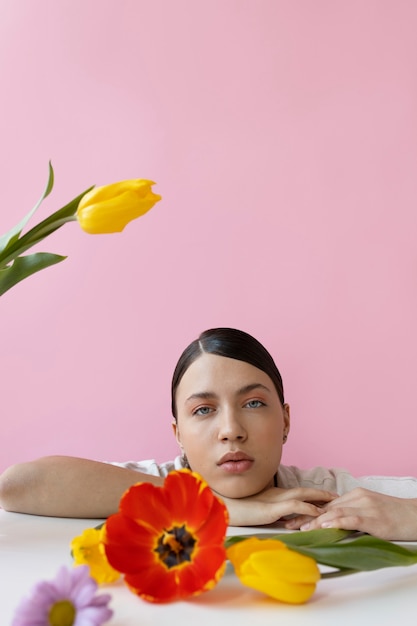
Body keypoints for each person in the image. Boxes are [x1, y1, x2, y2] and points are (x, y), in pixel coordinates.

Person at [0, 327, 416, 541]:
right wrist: (215, 509)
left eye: (253, 403)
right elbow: (18, 485)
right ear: (178, 433)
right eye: (204, 410)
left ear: (286, 421)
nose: (231, 430)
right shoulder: (150, 482)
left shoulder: (323, 495)